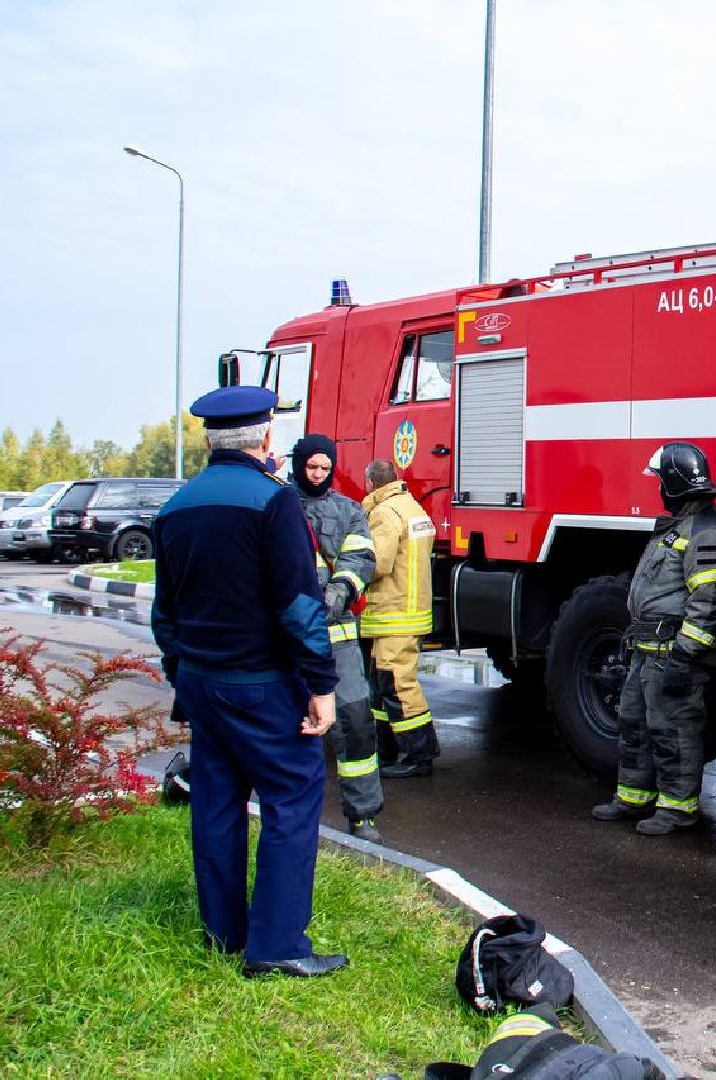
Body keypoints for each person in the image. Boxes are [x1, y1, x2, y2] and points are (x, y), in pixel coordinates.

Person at [151, 385, 346, 978]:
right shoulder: (274, 503)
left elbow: (166, 614)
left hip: (204, 683)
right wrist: (321, 682)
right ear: (264, 439)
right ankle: (279, 945)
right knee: (291, 798)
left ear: (209, 441)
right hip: (264, 686)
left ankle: (224, 934)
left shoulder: (174, 508)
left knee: (215, 804)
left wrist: (184, 676)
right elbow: (297, 604)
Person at [592, 442, 716, 837]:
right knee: (634, 723)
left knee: (673, 731)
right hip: (645, 652)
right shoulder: (679, 527)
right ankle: (633, 798)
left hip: (672, 654)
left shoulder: (706, 533)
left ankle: (678, 809)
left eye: (660, 482)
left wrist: (684, 658)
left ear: (673, 484)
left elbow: (709, 604)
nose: (657, 489)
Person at [291, 434, 384, 842]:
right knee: (289, 723)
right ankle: (287, 811)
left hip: (338, 636)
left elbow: (361, 557)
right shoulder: (279, 506)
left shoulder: (348, 511)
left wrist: (339, 591)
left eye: (325, 468)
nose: (318, 475)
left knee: (356, 722)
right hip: (289, 637)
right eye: (312, 467)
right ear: (299, 465)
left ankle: (363, 815)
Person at [359, 459, 440, 778]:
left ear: (370, 483)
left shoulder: (384, 513)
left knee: (396, 683)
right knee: (384, 683)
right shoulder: (412, 507)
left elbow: (378, 563)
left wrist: (347, 565)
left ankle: (420, 754)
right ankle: (387, 748)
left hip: (393, 613)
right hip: (409, 610)